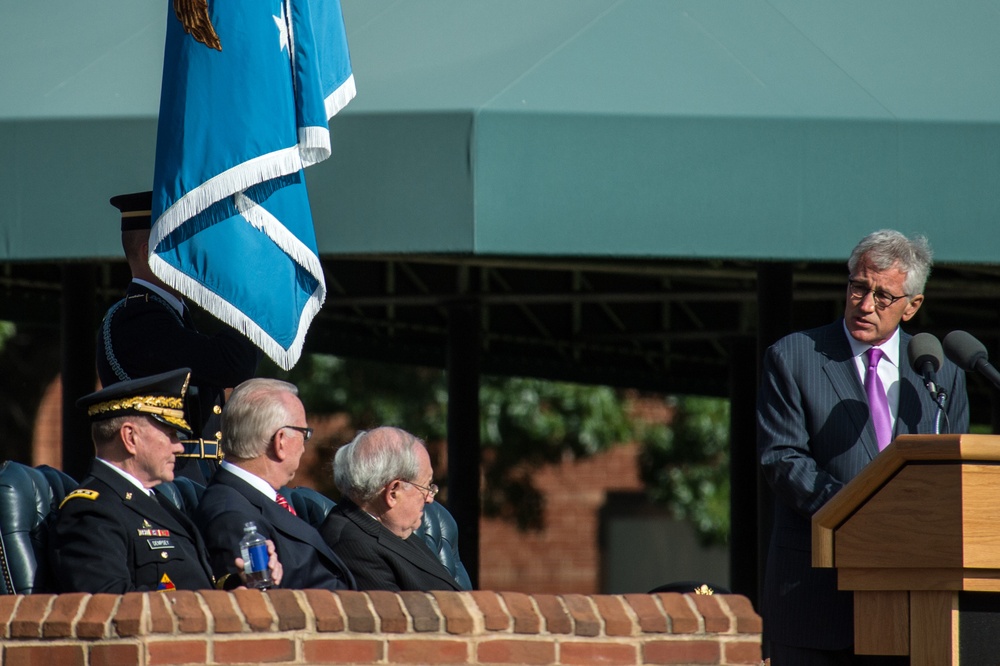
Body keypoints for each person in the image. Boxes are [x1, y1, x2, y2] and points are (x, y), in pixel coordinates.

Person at [758, 229, 969, 665]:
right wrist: (857, 512)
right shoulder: (794, 357)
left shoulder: (939, 374)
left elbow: (955, 475)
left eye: (884, 296)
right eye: (858, 287)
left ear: (912, 306)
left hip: (912, 604)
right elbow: (783, 459)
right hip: (815, 597)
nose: (866, 304)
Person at [49, 368, 280, 593]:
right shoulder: (91, 511)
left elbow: (197, 582)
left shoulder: (155, 500)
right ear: (130, 438)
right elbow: (109, 609)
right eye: (171, 435)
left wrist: (240, 583)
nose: (179, 447)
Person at [96, 191, 260, 483]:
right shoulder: (139, 320)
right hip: (169, 481)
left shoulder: (166, 315)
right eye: (183, 244)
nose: (194, 254)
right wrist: (238, 288)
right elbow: (231, 363)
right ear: (150, 252)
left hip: (189, 479)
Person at [194, 378, 356, 591]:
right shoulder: (232, 516)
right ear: (280, 441)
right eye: (304, 434)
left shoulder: (252, 501)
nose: (304, 447)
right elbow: (257, 607)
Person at [319, 427, 463, 592]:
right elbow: (397, 616)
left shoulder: (394, 528)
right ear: (393, 492)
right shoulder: (352, 548)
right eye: (426, 486)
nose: (430, 498)